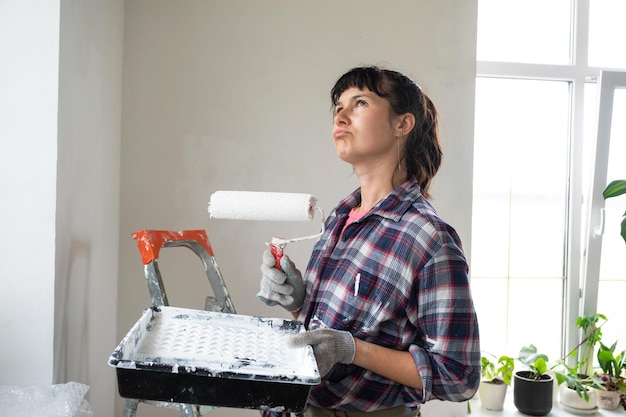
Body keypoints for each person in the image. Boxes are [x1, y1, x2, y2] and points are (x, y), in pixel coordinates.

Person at [258, 65, 480, 417]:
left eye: (359, 103)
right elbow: (337, 330)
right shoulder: (339, 218)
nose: (341, 115)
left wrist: (352, 350)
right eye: (338, 108)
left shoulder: (429, 238)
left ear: (401, 125)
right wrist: (298, 302)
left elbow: (459, 377)